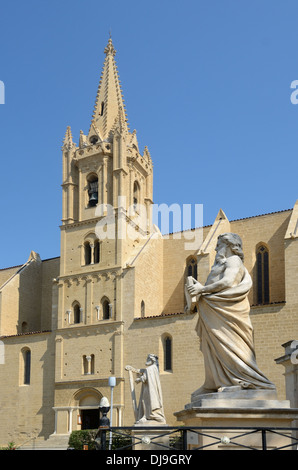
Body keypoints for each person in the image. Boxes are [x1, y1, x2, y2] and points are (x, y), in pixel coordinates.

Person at [187, 232, 276, 395]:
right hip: (214, 310)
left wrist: (203, 289)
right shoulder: (220, 264)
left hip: (229, 312)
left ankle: (242, 379)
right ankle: (214, 381)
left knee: (230, 345)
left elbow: (228, 282)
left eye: (219, 244)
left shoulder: (233, 260)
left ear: (229, 246)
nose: (215, 248)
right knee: (213, 347)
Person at [128, 354, 166, 424]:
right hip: (150, 389)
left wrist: (138, 380)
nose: (147, 361)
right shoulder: (154, 368)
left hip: (149, 390)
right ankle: (146, 416)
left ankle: (149, 416)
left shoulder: (150, 369)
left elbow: (144, 378)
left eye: (148, 359)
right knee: (146, 401)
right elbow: (145, 373)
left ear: (152, 360)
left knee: (146, 401)